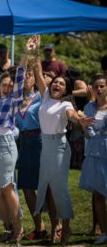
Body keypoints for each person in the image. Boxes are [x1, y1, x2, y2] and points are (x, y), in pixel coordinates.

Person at [33, 35, 93, 245]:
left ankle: (65, 229)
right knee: (46, 188)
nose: (56, 84)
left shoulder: (64, 105)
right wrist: (35, 51)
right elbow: (37, 72)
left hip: (59, 147)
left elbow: (73, 115)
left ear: (66, 90)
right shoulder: (45, 97)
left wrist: (80, 120)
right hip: (45, 147)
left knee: (59, 189)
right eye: (55, 82)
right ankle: (54, 228)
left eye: (60, 83)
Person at [0, 36, 35, 244]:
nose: (6, 87)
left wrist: (26, 52)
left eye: (9, 85)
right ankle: (8, 228)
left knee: (7, 187)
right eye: (3, 84)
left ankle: (18, 228)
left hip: (5, 145)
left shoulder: (13, 101)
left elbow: (20, 74)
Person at [16, 61, 46, 240]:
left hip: (39, 141)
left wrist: (36, 57)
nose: (26, 78)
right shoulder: (16, 100)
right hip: (24, 144)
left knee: (45, 185)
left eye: (30, 75)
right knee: (26, 187)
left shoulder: (41, 96)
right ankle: (39, 226)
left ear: (35, 79)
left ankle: (57, 224)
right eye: (24, 75)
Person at [79, 74, 107, 245]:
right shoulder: (89, 107)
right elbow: (87, 131)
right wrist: (85, 128)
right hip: (93, 153)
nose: (99, 89)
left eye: (102, 86)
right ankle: (103, 231)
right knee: (98, 194)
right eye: (96, 86)